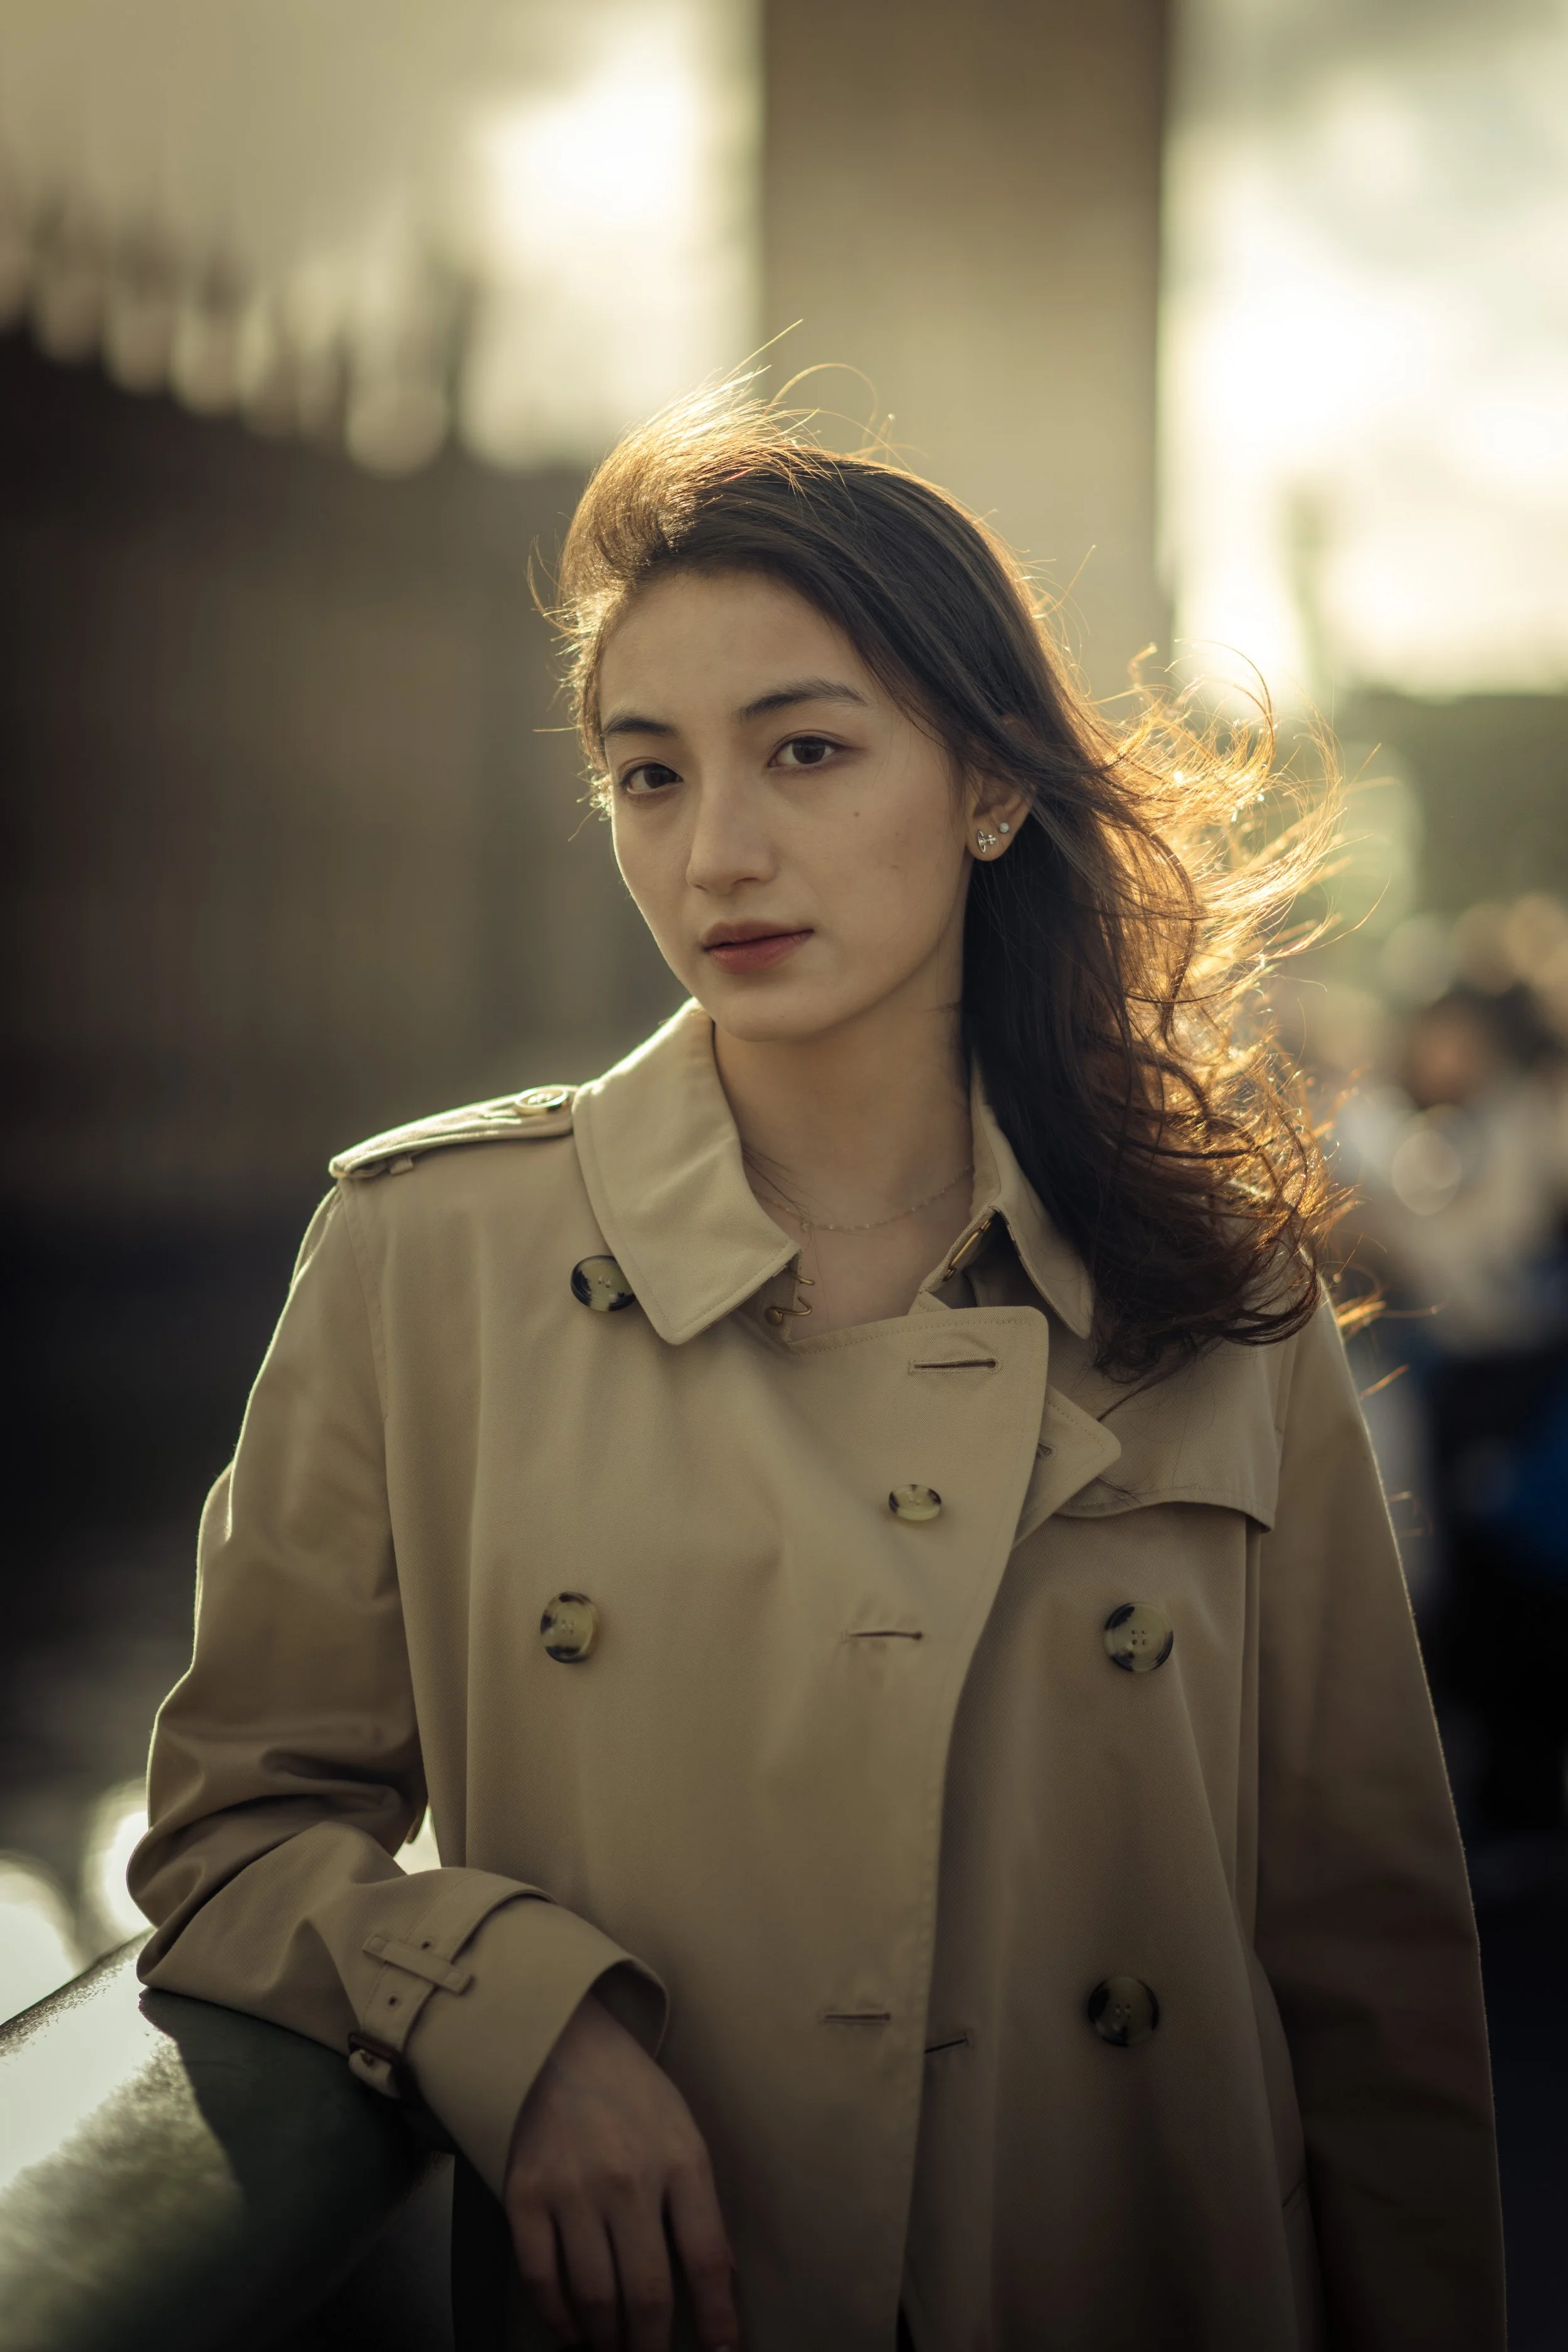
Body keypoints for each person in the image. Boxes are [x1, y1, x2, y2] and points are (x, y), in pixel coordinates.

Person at [130, 393, 1505, 2351]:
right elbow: (225, 1842)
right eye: (648, 774)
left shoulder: (1218, 1297)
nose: (721, 850)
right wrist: (514, 2009)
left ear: (987, 787)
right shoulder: (422, 1261)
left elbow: (1370, 1976)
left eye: (804, 750)